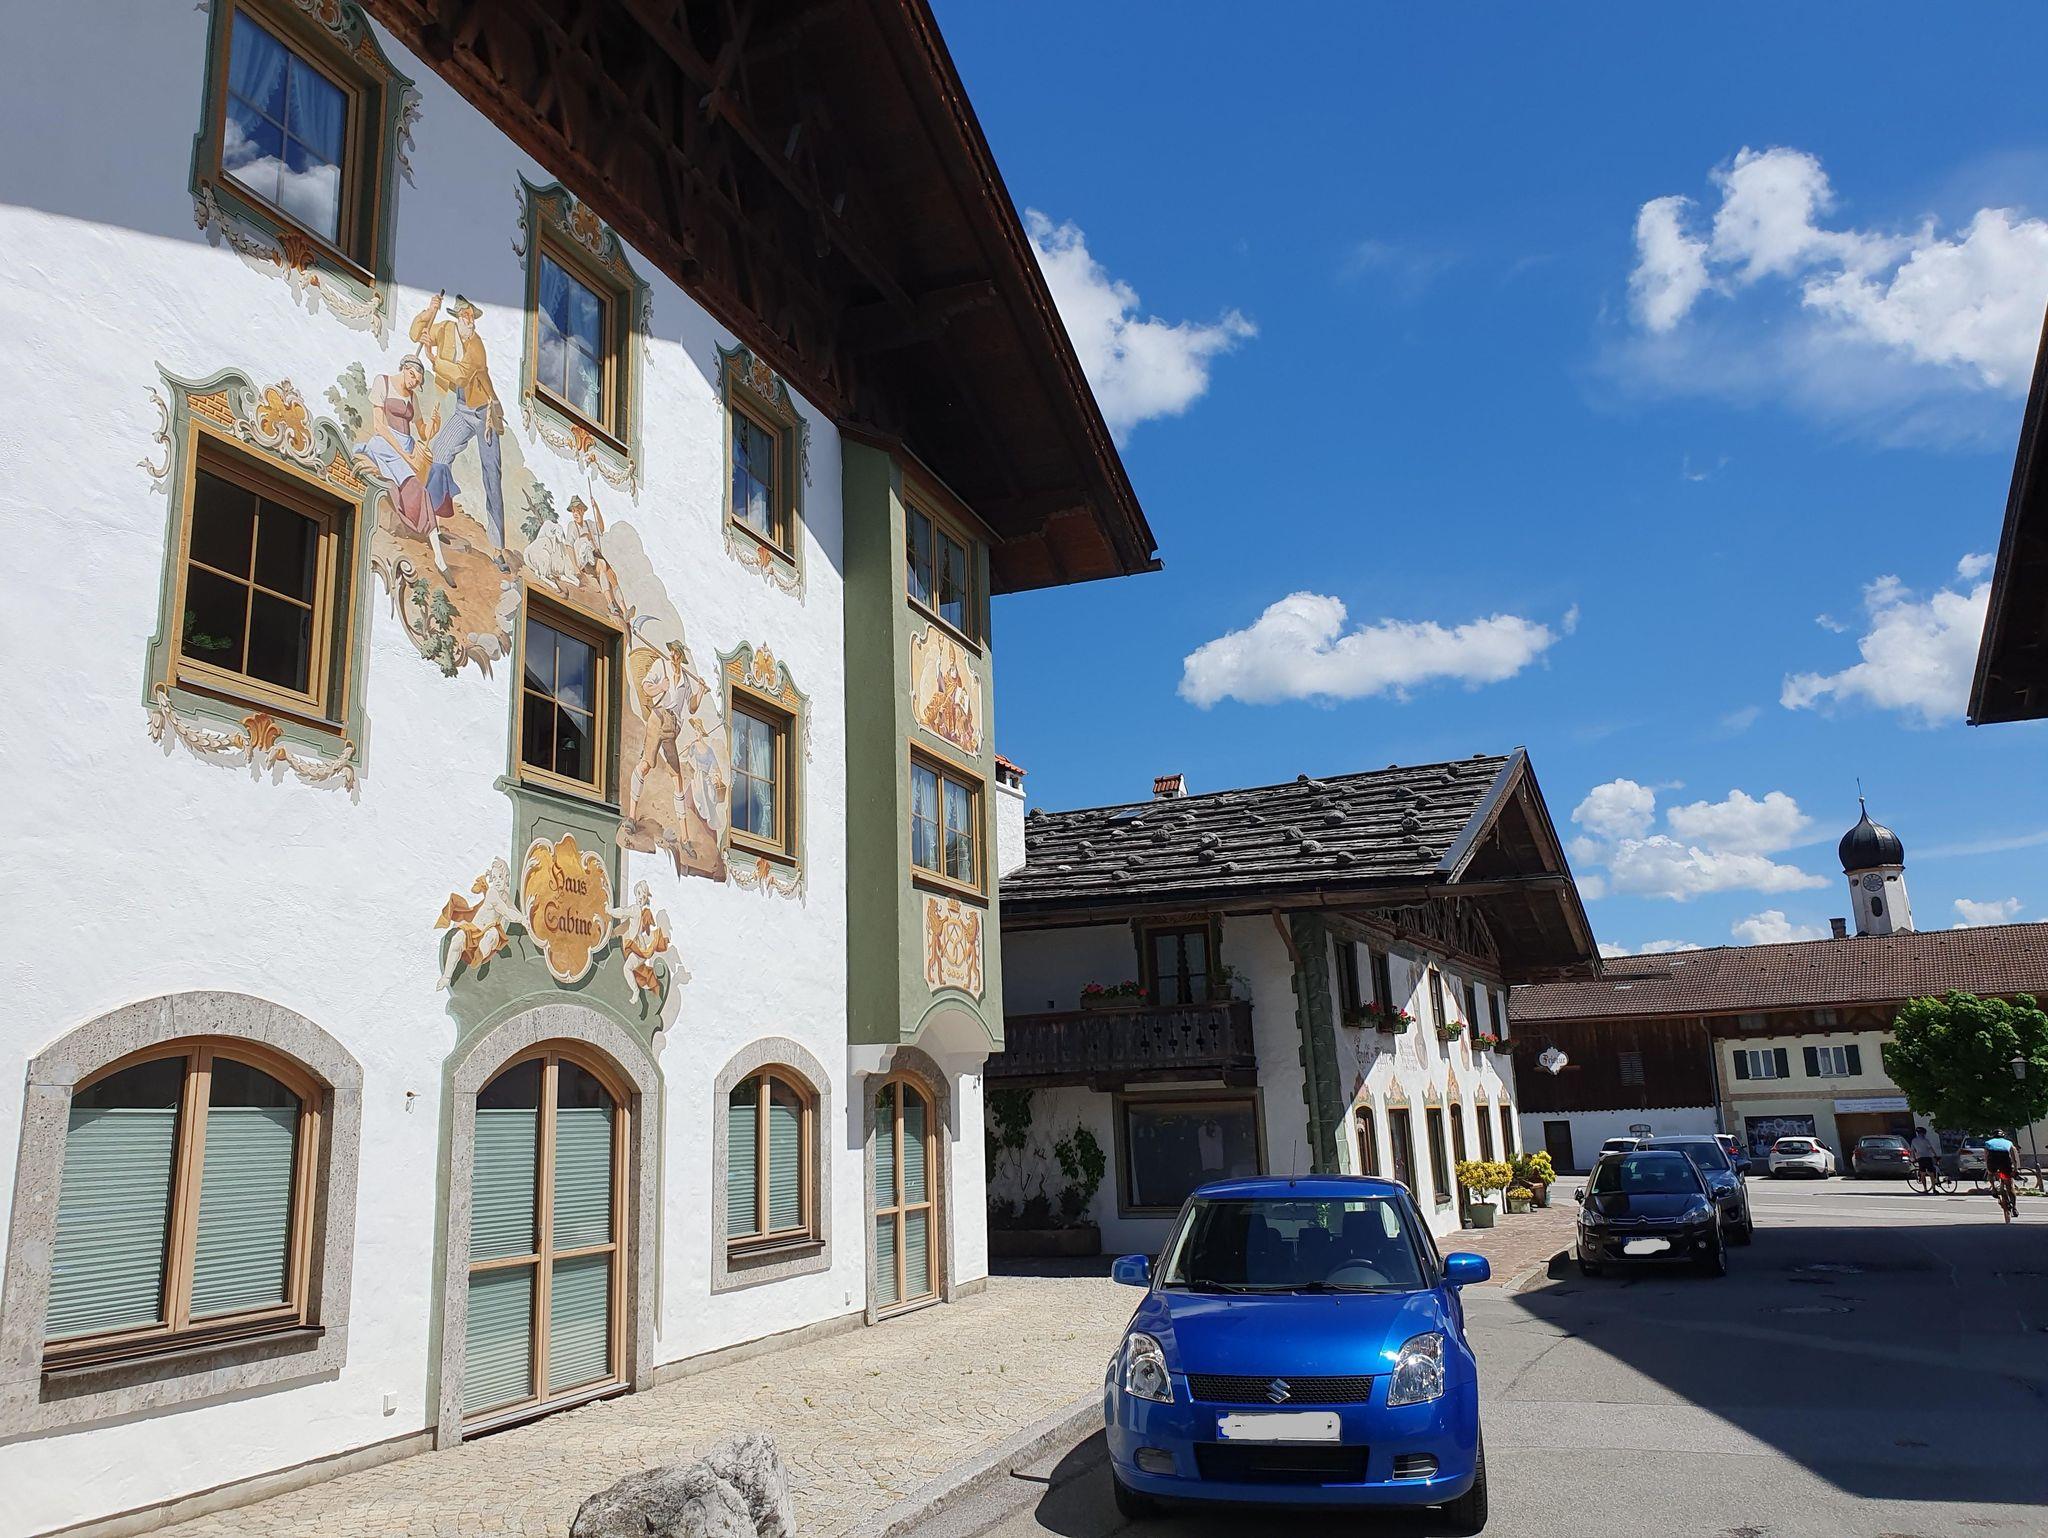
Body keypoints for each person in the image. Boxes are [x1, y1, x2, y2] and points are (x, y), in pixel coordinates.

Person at [408, 291, 507, 559]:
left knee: (491, 473)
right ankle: (434, 519)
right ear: (457, 317)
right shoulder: (446, 330)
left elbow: (462, 376)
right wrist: (429, 312)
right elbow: (416, 333)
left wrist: (433, 359)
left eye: (472, 316)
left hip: (484, 412)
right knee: (440, 452)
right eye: (465, 316)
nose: (470, 321)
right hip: (463, 409)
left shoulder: (477, 346)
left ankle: (498, 547)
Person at [360, 357, 455, 580]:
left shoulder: (412, 397)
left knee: (438, 472)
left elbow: (422, 431)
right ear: (404, 369)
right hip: (386, 445)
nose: (414, 383)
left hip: (408, 445)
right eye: (412, 376)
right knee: (417, 489)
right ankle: (439, 558)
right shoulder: (383, 382)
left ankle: (435, 527)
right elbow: (379, 426)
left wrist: (434, 426)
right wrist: (406, 457)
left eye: (418, 381)